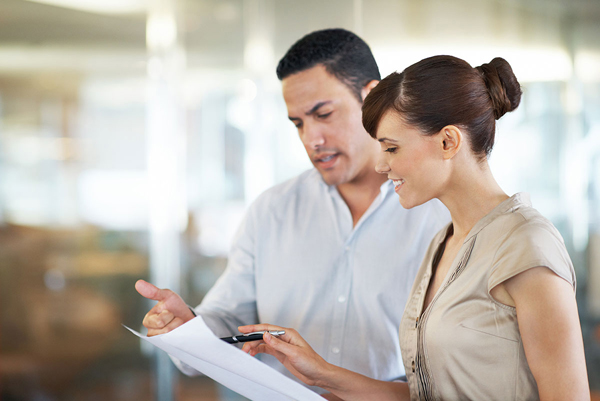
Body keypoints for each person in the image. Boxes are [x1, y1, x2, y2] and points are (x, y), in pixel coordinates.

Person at [239, 55, 590, 400]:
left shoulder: (526, 243)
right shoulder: (444, 242)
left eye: (391, 148)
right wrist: (321, 372)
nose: (380, 164)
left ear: (448, 142)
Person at [135, 28, 449, 394]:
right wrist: (187, 326)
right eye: (298, 123)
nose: (311, 139)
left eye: (324, 114)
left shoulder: (440, 215)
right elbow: (228, 319)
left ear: (372, 97)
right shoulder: (272, 212)